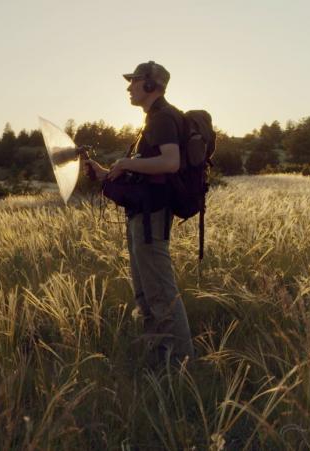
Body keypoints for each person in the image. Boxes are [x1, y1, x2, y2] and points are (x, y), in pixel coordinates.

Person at [83, 61, 195, 364]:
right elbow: (149, 171)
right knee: (146, 292)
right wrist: (108, 172)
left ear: (150, 85)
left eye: (134, 81)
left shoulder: (161, 118)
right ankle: (159, 359)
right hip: (144, 213)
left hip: (152, 217)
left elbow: (169, 162)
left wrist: (125, 163)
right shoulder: (155, 119)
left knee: (159, 291)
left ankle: (180, 365)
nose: (129, 87)